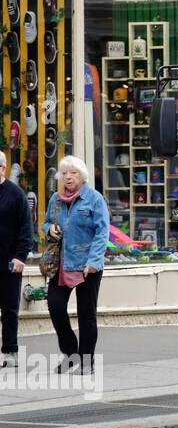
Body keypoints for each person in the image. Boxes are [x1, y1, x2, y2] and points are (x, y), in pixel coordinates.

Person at [42, 156, 108, 373]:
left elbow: (102, 232)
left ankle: (87, 361)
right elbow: (45, 222)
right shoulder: (56, 199)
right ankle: (71, 354)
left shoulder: (94, 199)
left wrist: (94, 261)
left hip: (87, 265)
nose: (68, 177)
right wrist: (49, 228)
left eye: (73, 173)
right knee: (55, 305)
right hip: (61, 263)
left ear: (82, 176)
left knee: (86, 314)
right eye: (64, 173)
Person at [0, 149, 31, 368]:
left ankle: (10, 351)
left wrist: (20, 256)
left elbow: (26, 230)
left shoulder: (16, 194)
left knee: (9, 309)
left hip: (9, 263)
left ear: (2, 168)